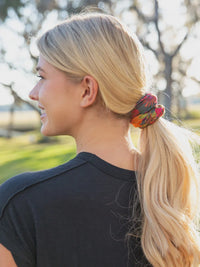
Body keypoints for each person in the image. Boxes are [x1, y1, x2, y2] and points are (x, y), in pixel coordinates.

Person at [0, 12, 200, 267]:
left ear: (87, 90)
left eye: (42, 77)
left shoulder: (21, 204)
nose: (33, 93)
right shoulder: (164, 192)